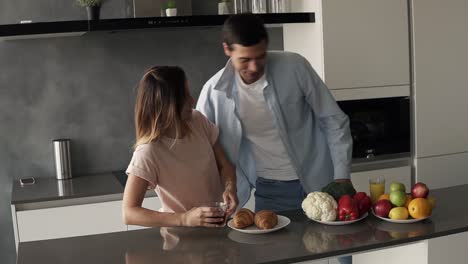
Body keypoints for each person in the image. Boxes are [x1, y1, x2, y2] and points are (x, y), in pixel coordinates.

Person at [196, 13, 353, 215]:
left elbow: (333, 120)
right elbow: (200, 148)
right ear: (227, 49)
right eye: (244, 60)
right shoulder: (214, 92)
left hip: (322, 184)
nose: (253, 67)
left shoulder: (295, 66)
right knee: (275, 247)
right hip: (270, 191)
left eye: (260, 57)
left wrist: (341, 176)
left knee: (332, 246)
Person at [123, 66, 238, 228]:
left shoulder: (198, 121)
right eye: (185, 96)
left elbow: (225, 165)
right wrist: (184, 219)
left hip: (220, 229)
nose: (192, 100)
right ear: (168, 105)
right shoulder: (148, 151)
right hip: (180, 240)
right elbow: (129, 213)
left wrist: (230, 187)